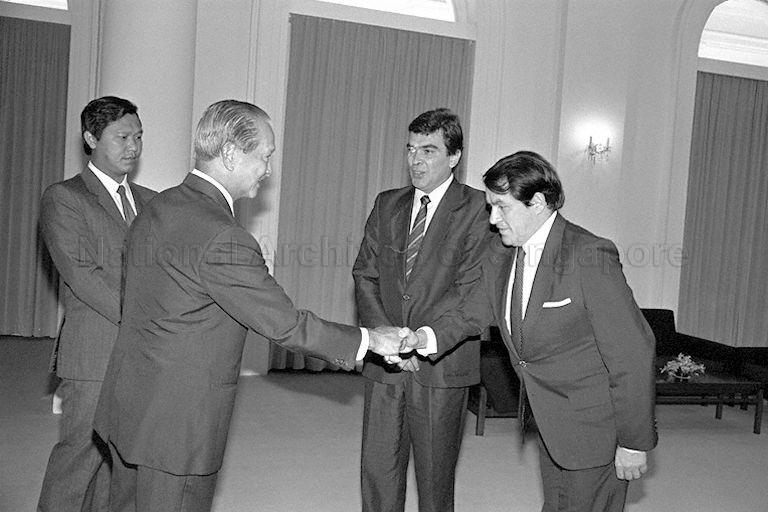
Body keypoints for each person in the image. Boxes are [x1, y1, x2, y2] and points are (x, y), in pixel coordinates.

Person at [92, 99, 416, 512]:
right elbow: (286, 325)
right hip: (177, 429)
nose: (267, 170)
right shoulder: (223, 236)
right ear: (231, 154)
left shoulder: (159, 204)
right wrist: (372, 340)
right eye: (265, 156)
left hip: (130, 405)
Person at [435, 150, 657, 511]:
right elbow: (470, 312)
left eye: (501, 207)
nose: (493, 219)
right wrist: (422, 338)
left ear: (537, 203)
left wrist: (633, 441)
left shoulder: (588, 255)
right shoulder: (502, 253)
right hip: (551, 422)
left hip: (595, 430)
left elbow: (632, 352)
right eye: (490, 207)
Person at [352, 108, 490, 512]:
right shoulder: (387, 204)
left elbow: (470, 290)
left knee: (434, 481)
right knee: (378, 473)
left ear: (454, 156)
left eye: (428, 151)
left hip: (442, 363)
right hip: (385, 362)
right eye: (411, 149)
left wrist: (421, 341)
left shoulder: (480, 210)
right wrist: (390, 339)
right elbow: (365, 275)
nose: (416, 160)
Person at [38, 96, 157, 512]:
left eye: (138, 136)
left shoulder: (151, 201)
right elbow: (83, 276)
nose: (133, 146)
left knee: (120, 460)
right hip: (95, 350)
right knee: (80, 456)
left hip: (143, 352)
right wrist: (148, 320)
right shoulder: (64, 197)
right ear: (91, 138)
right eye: (122, 137)